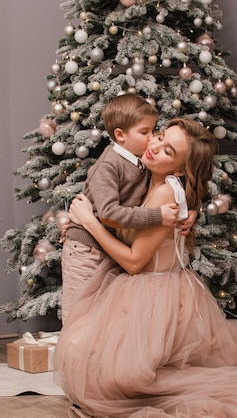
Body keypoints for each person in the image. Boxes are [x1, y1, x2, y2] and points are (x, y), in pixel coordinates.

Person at [54, 118, 237, 418]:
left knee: (106, 380)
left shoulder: (163, 194)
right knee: (94, 358)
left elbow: (134, 262)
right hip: (172, 286)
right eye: (158, 138)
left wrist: (88, 222)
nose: (153, 147)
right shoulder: (156, 182)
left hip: (150, 288)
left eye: (168, 150)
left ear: (181, 168)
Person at [61, 93, 196, 323]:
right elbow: (110, 213)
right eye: (146, 133)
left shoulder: (141, 161)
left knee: (98, 316)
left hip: (105, 246)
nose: (152, 140)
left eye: (155, 132)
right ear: (120, 135)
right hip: (85, 247)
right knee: (77, 314)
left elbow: (173, 186)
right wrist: (158, 215)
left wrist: (189, 212)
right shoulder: (109, 165)